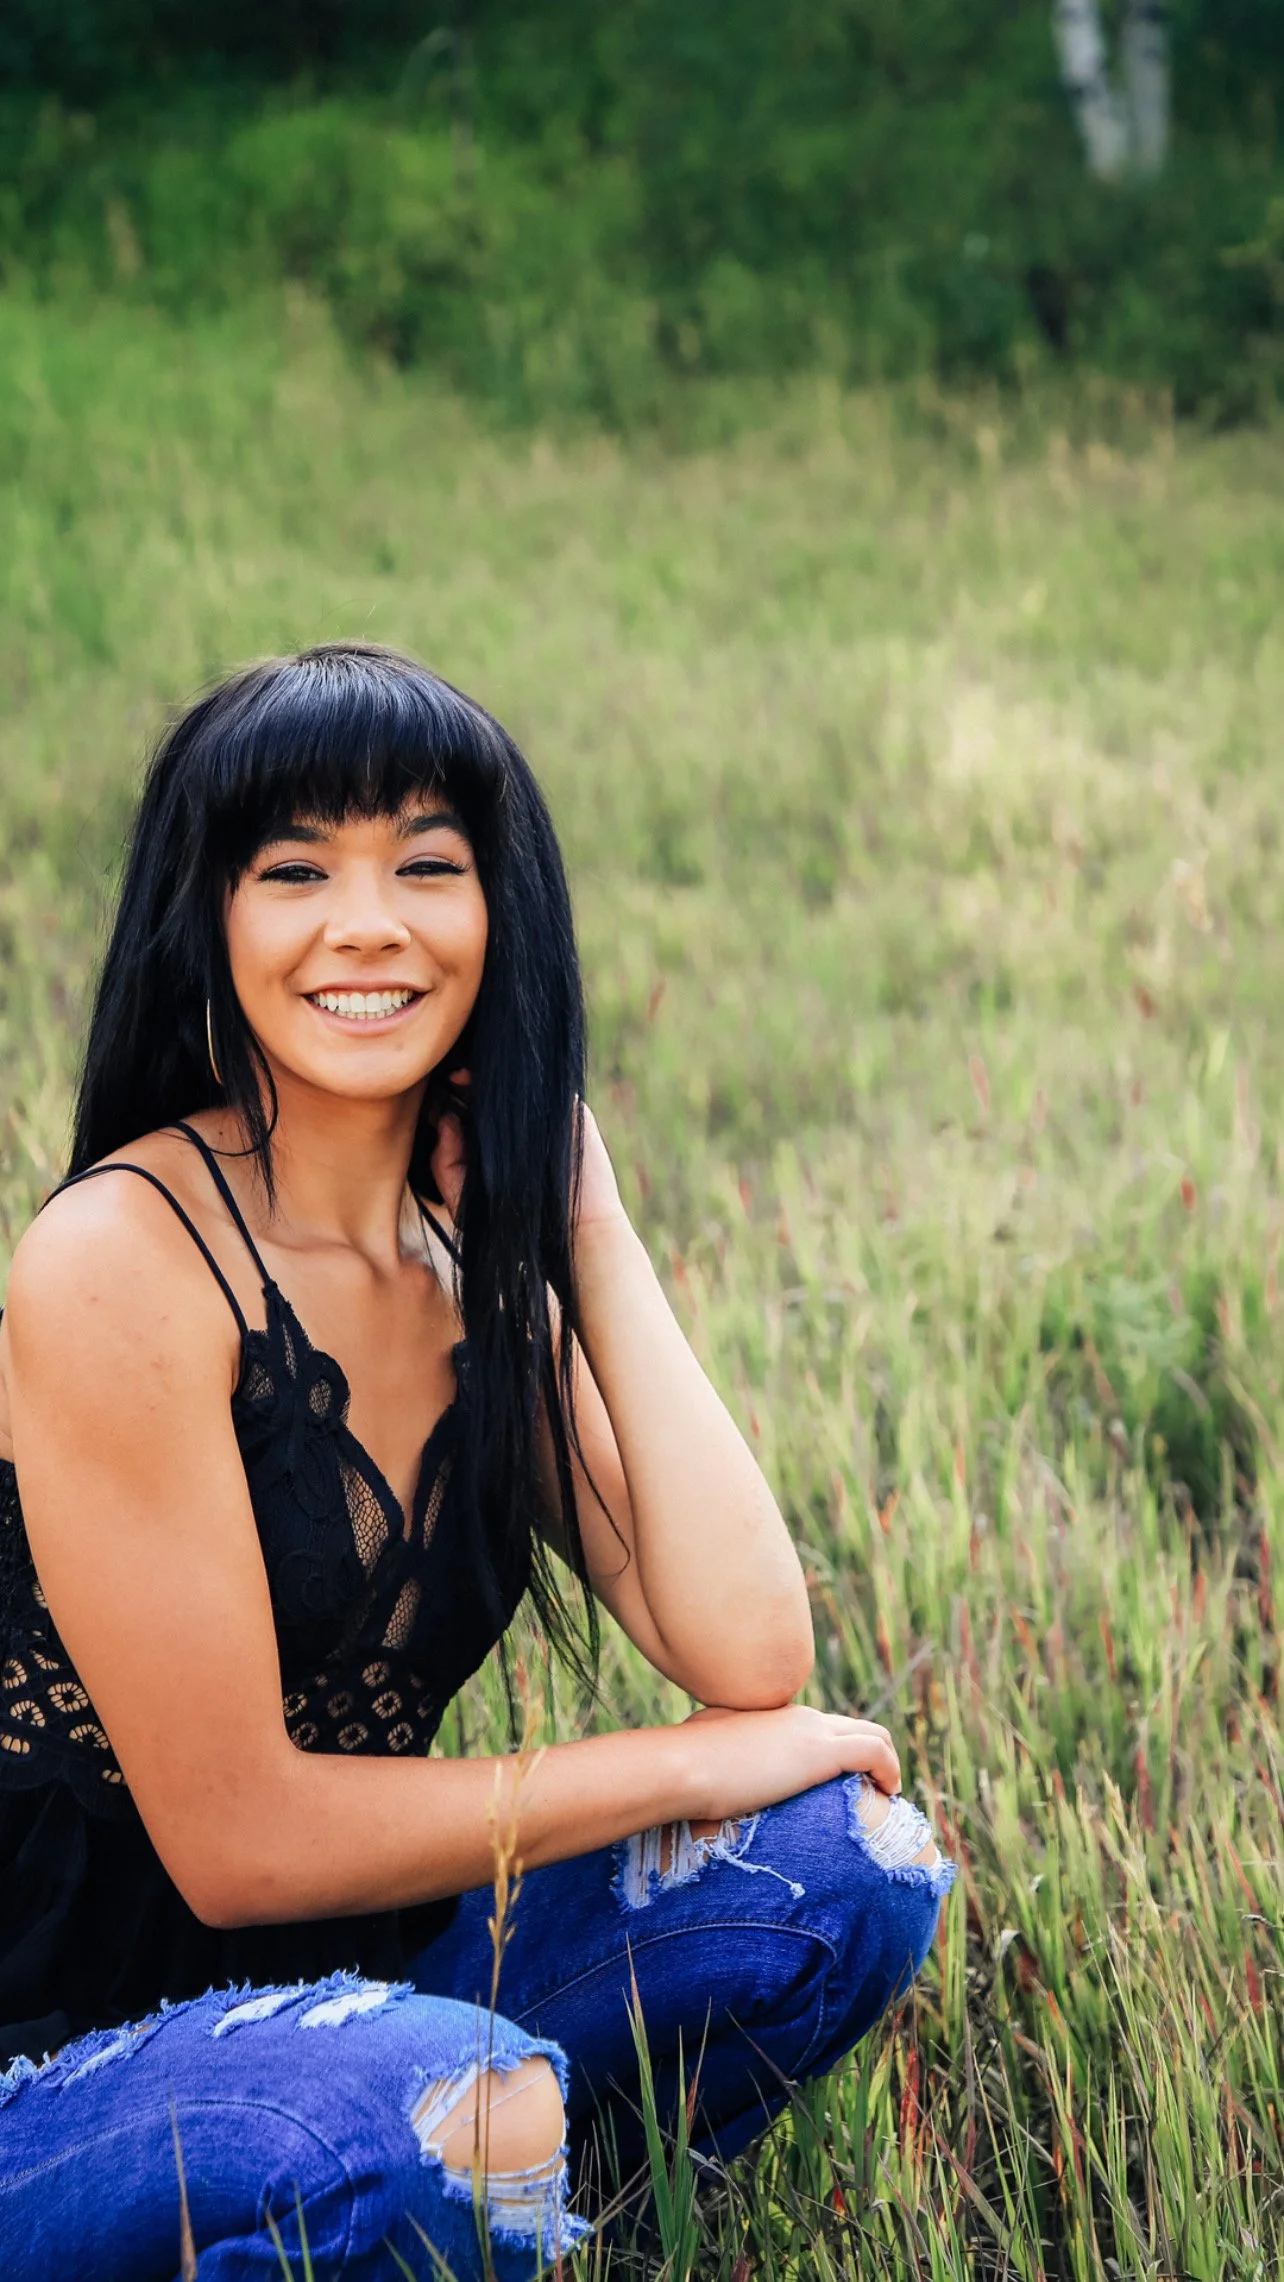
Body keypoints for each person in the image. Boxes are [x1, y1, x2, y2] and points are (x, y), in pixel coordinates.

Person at [0, 644, 952, 2280]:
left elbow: (748, 1649)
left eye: (424, 866)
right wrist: (672, 1766)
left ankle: (461, 2207)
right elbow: (243, 1844)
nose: (366, 920)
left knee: (852, 1867)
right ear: (208, 921)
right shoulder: (121, 1256)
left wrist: (579, 1212)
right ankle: (432, 2182)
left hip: (372, 1985)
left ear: (498, 914)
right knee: (459, 2100)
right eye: (295, 868)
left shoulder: (468, 1264)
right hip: (46, 2058)